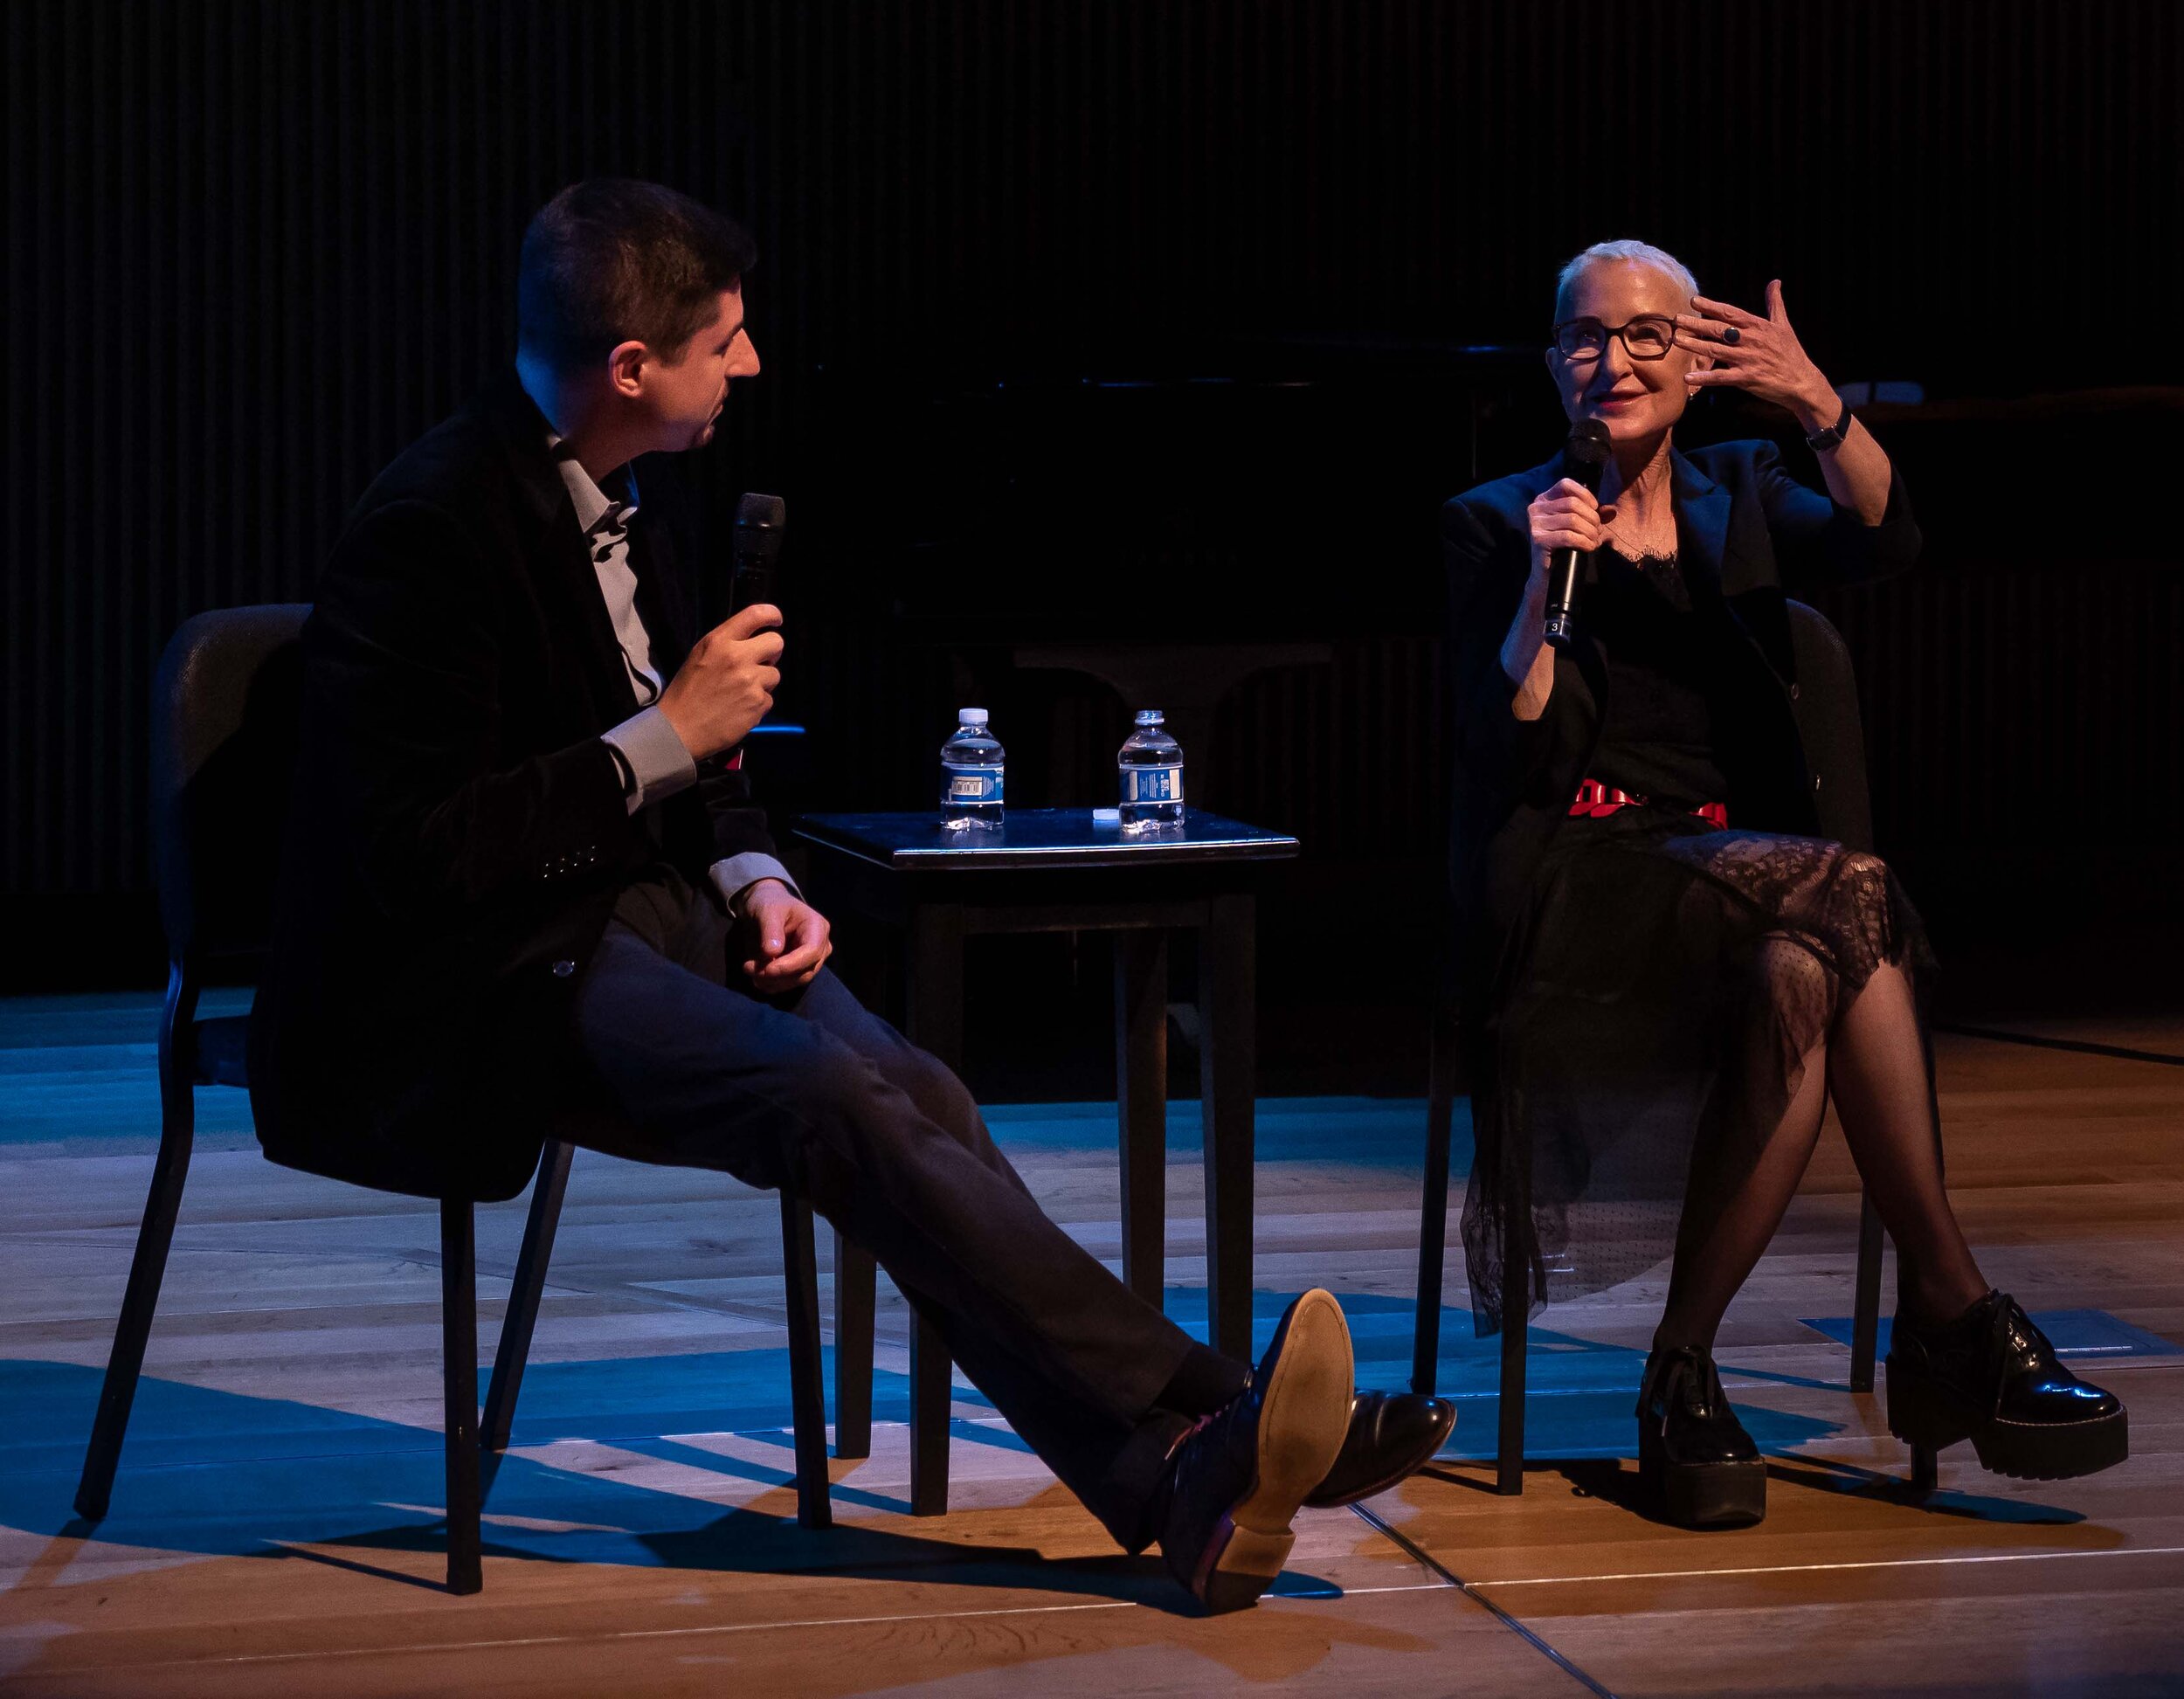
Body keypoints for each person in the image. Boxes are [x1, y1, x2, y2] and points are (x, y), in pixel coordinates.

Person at [249, 178, 1452, 1611]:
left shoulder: (633, 490)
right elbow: (419, 854)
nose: (749, 366)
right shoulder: (434, 523)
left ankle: (1180, 1478)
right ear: (633, 368)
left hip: (627, 914)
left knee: (920, 1092)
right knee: (833, 1106)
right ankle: (1219, 1411)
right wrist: (662, 740)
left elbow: (693, 775)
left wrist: (754, 868)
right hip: (479, 970)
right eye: (725, 342)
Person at [1441, 239, 2125, 1528]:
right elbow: (1510, 747)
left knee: (1806, 957)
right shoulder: (1496, 519)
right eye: (1589, 338)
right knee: (1844, 893)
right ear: (1553, 364)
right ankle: (1952, 1316)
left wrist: (1822, 407)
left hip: (1741, 888)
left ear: (1697, 364)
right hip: (1576, 892)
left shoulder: (1742, 489)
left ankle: (1681, 1370)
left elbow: (1885, 536)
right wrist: (1541, 581)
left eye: (1650, 336)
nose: (1617, 361)